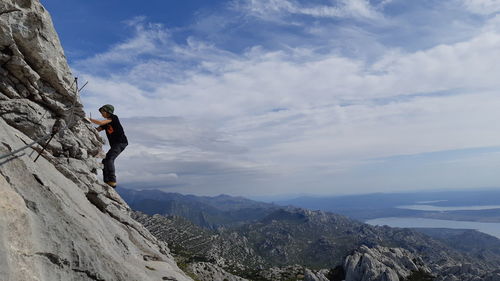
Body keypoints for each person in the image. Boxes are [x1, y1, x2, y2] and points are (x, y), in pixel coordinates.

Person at [89, 104, 128, 188]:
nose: (101, 114)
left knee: (110, 158)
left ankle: (112, 181)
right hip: (116, 144)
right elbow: (97, 130)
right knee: (105, 161)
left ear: (108, 111)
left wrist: (89, 119)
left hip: (121, 143)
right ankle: (106, 181)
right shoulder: (106, 124)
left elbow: (100, 122)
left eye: (102, 111)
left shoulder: (114, 118)